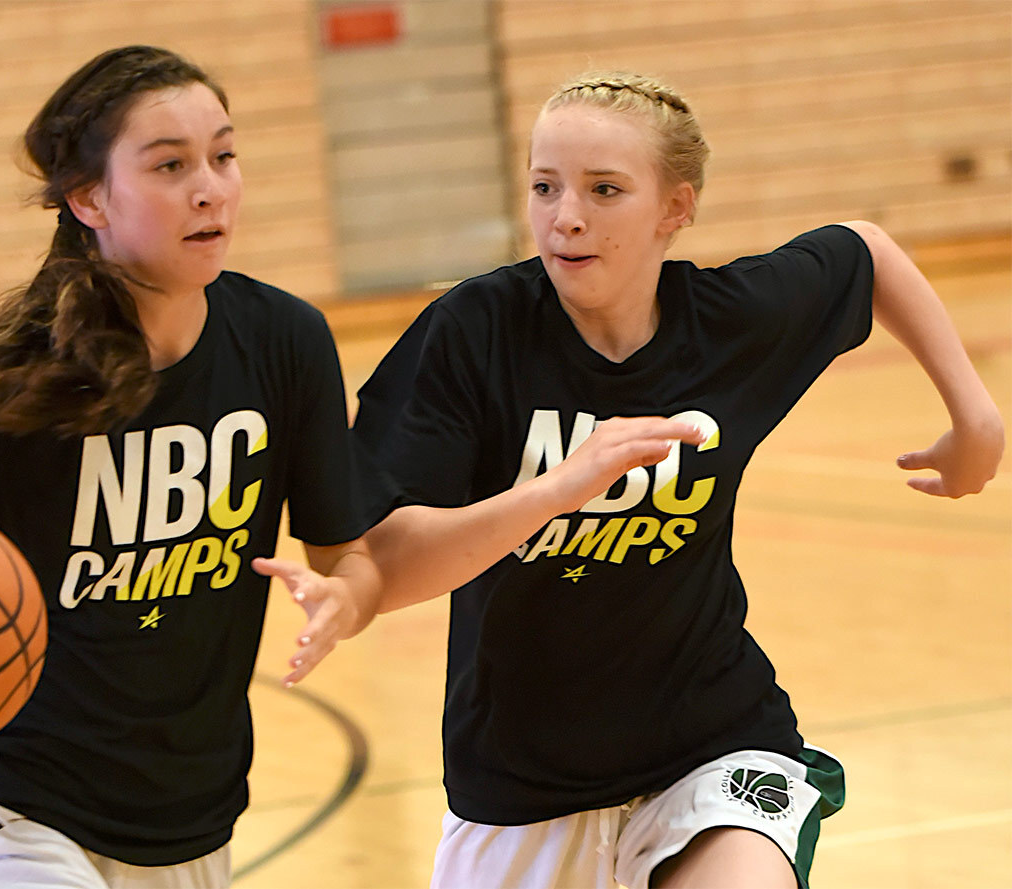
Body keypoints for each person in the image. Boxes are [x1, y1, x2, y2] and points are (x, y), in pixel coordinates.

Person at [0, 45, 403, 889]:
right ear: (88, 196)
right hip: (18, 806)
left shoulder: (286, 343)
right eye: (170, 165)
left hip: (189, 808)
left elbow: (347, 554)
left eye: (224, 154)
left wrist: (344, 599)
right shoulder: (14, 376)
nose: (210, 186)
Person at [347, 73, 1005, 889]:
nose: (567, 216)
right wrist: (556, 489)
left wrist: (976, 416)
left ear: (675, 209)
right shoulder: (473, 334)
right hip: (520, 781)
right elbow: (386, 563)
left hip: (712, 745)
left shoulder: (726, 322)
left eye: (605, 189)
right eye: (544, 186)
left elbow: (863, 251)